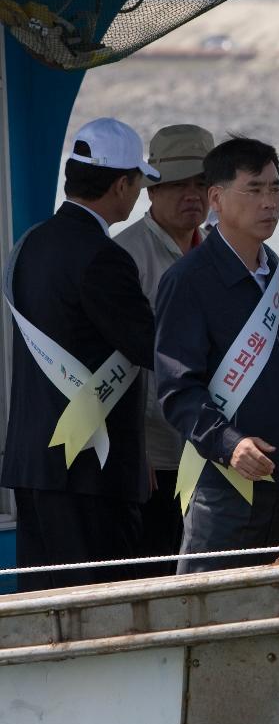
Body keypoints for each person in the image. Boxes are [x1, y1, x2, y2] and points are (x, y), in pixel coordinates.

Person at [1, 117, 159, 591]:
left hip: (33, 460)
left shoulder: (29, 245)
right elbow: (150, 345)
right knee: (98, 605)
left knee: (43, 605)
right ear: (121, 184)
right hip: (91, 465)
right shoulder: (104, 256)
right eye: (138, 183)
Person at [154, 137, 279, 573]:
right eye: (254, 189)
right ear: (216, 198)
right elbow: (177, 389)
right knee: (210, 620)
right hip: (227, 489)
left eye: (275, 188)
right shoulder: (188, 281)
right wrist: (230, 443)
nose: (269, 203)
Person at [114, 124, 214, 576]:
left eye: (201, 184)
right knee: (152, 573)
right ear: (150, 189)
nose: (191, 195)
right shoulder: (124, 256)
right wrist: (134, 449)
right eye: (176, 184)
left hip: (214, 446)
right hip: (154, 454)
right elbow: (114, 361)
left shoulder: (223, 250)